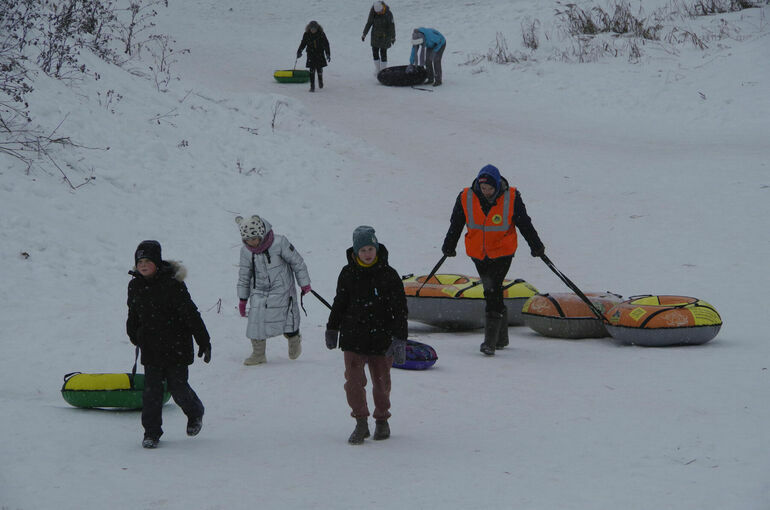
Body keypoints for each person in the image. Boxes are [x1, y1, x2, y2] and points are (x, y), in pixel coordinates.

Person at [441, 164, 545, 356]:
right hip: (478, 253)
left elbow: (524, 223)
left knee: (492, 289)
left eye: (489, 188)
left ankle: (489, 342)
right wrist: (449, 245)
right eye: (483, 188)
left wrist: (536, 246)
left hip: (502, 253)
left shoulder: (512, 197)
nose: (486, 191)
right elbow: (456, 223)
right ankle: (502, 338)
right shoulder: (465, 197)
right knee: (493, 290)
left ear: (497, 185)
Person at [325, 226, 407, 445]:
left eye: (371, 248)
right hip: (353, 338)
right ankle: (361, 422)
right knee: (353, 382)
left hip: (382, 339)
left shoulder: (389, 275)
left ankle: (382, 420)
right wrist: (332, 328)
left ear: (377, 248)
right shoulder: (347, 273)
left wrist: (400, 338)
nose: (368, 253)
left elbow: (400, 309)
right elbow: (339, 302)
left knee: (381, 383)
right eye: (363, 250)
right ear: (355, 252)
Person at [126, 240, 212, 449]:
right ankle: (151, 432)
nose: (143, 265)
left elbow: (191, 314)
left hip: (177, 346)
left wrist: (204, 340)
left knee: (178, 387)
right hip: (151, 347)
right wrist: (133, 333)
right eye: (140, 261)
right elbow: (133, 313)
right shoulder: (135, 285)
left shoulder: (173, 284)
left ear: (156, 262)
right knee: (152, 392)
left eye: (147, 261)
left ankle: (194, 412)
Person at [236, 215, 311, 365]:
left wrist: (304, 283)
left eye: (254, 238)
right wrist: (243, 299)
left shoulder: (280, 242)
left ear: (261, 233)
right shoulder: (246, 251)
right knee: (255, 319)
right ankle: (258, 354)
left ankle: (294, 338)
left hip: (282, 287)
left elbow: (297, 262)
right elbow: (244, 276)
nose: (252, 243)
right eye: (247, 240)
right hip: (259, 289)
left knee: (287, 317)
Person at [362, 1, 395, 77]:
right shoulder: (373, 11)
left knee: (383, 53)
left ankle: (383, 71)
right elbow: (369, 22)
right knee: (375, 52)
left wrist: (393, 37)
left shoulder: (388, 13)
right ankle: (377, 69)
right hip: (375, 35)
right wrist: (364, 34)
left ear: (382, 8)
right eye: (377, 12)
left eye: (380, 12)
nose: (379, 13)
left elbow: (391, 27)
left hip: (385, 36)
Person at [297, 20, 330, 93]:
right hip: (311, 54)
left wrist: (328, 54)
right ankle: (312, 86)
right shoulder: (306, 34)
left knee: (319, 69)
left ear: (317, 28)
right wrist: (299, 51)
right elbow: (303, 43)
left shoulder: (321, 34)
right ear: (309, 28)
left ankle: (320, 81)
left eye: (314, 29)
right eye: (312, 29)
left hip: (319, 53)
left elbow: (326, 44)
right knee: (311, 70)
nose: (313, 30)